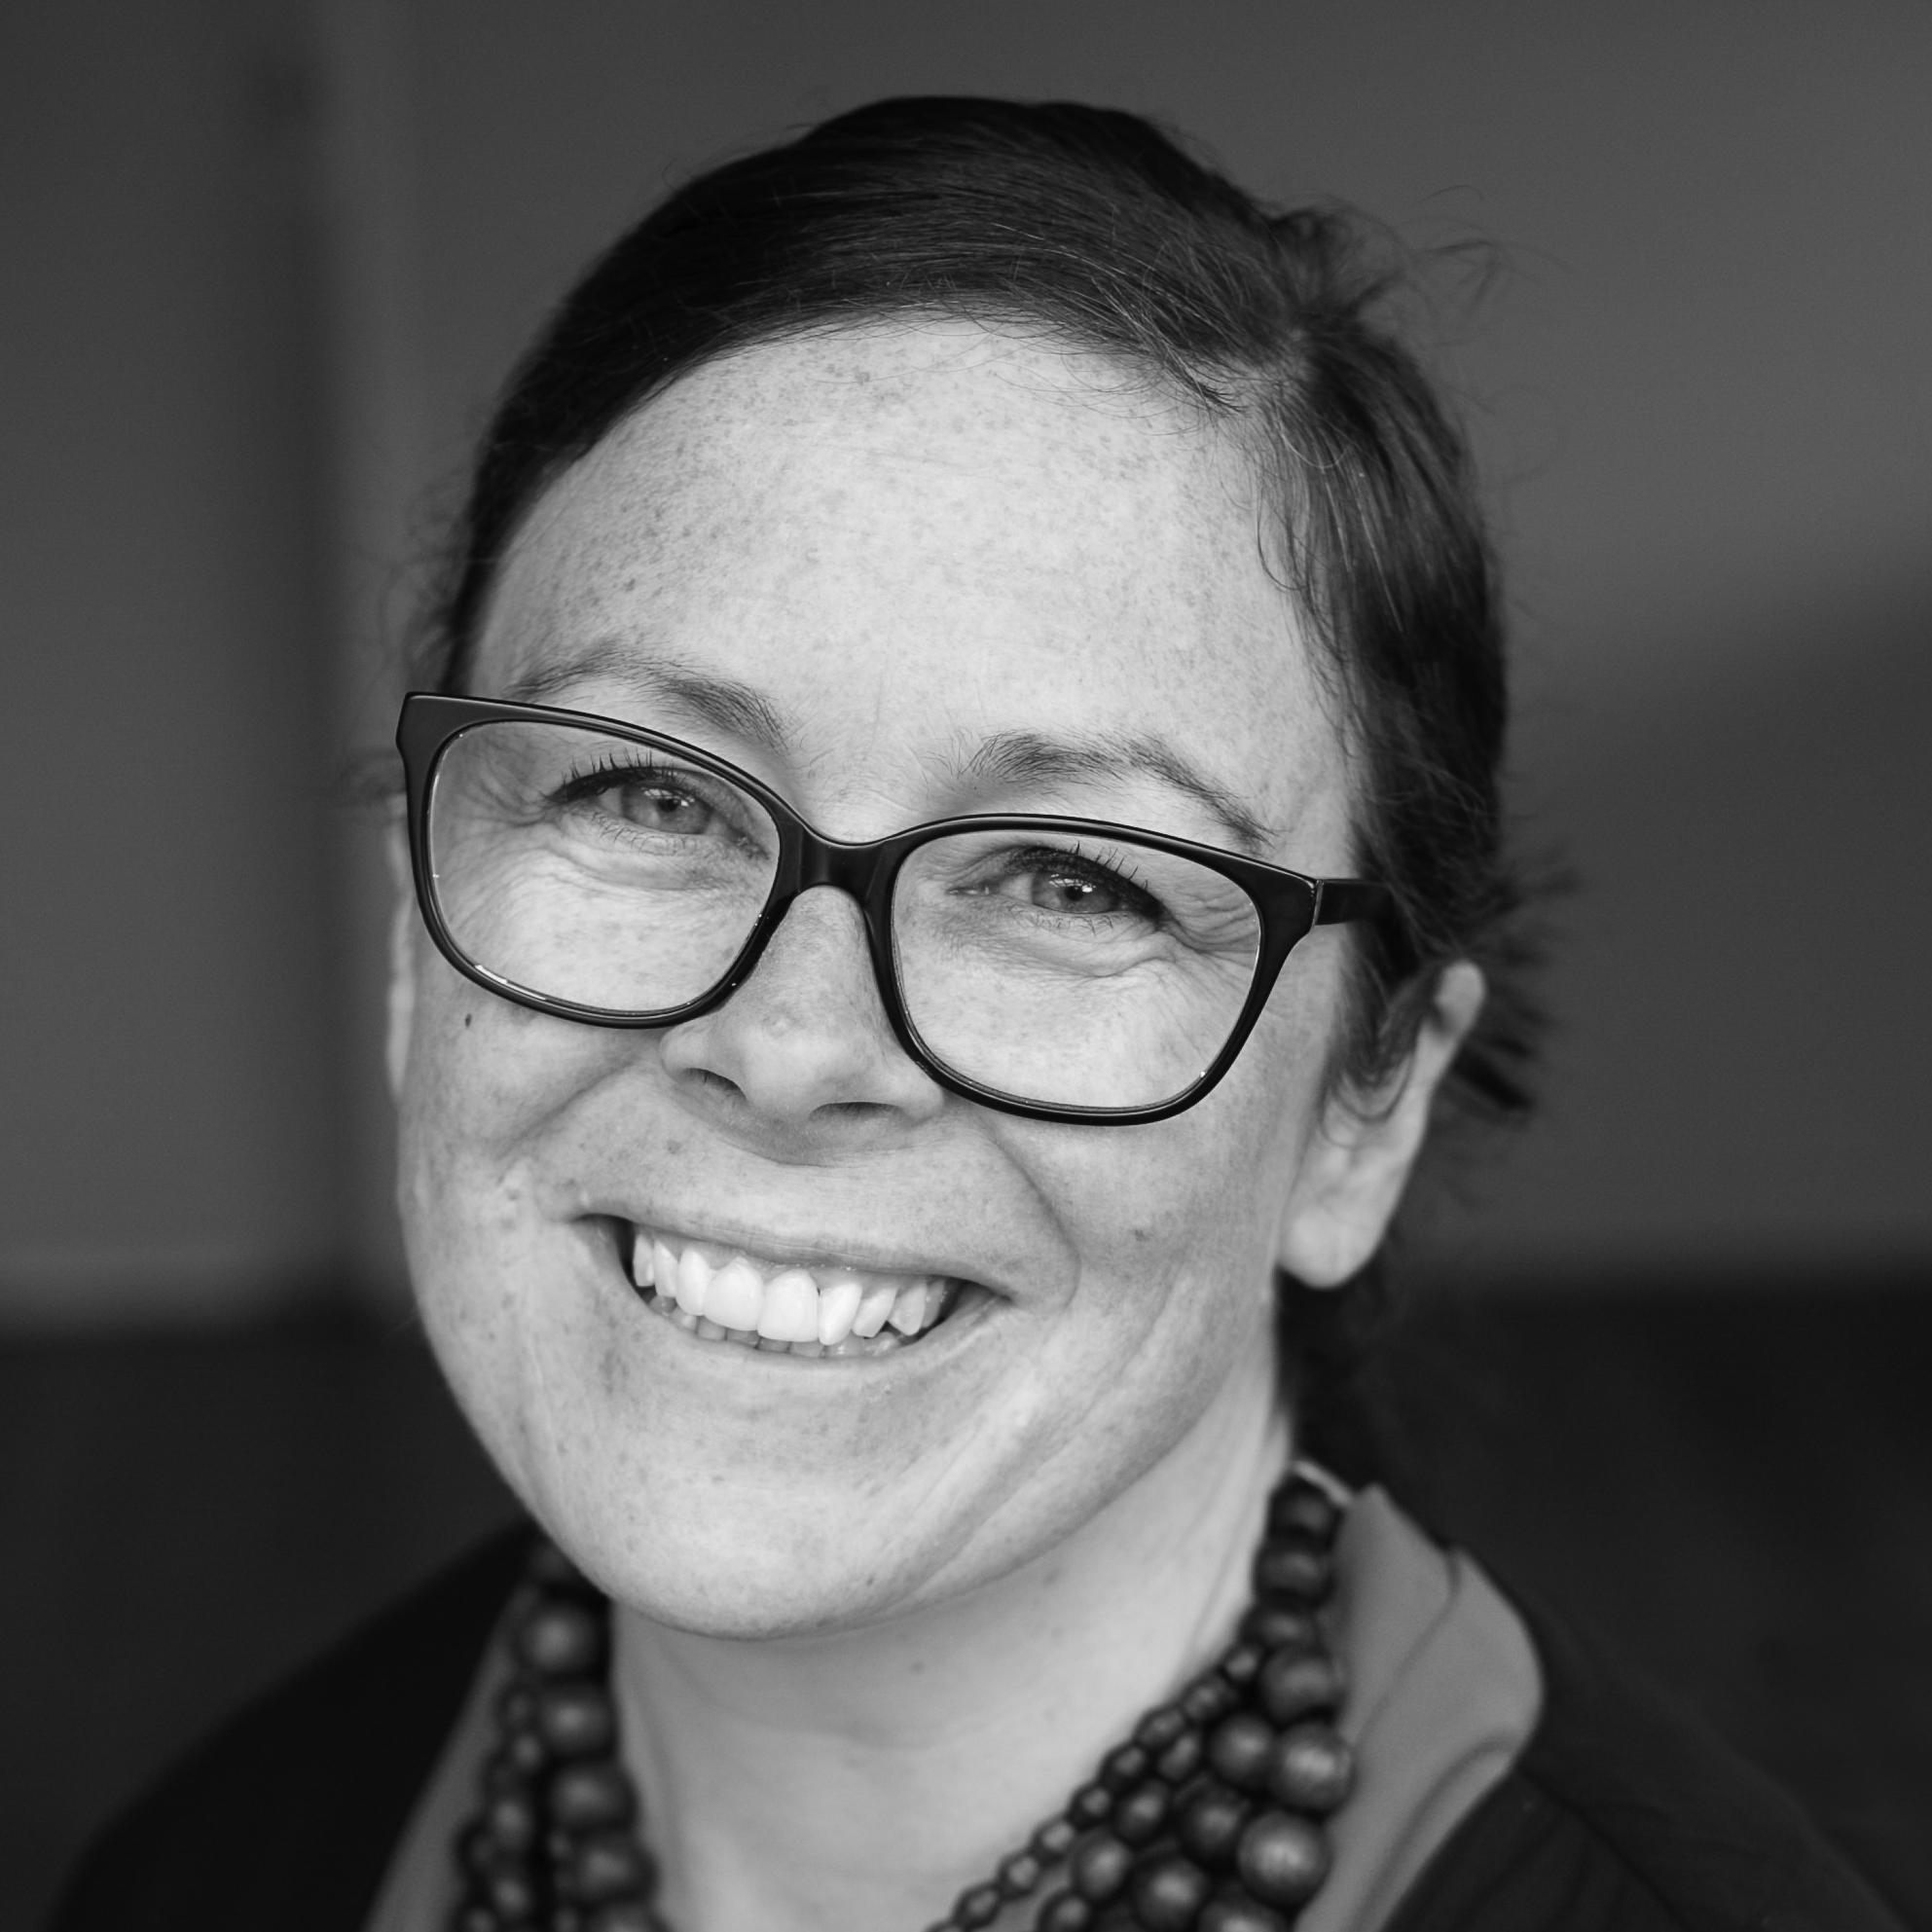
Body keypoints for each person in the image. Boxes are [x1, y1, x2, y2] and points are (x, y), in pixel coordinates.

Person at [53, 96, 1899, 1932]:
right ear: (411, 937)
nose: (788, 1048)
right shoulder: (220, 1863)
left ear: (1368, 1102)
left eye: (1072, 881)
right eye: (649, 796)